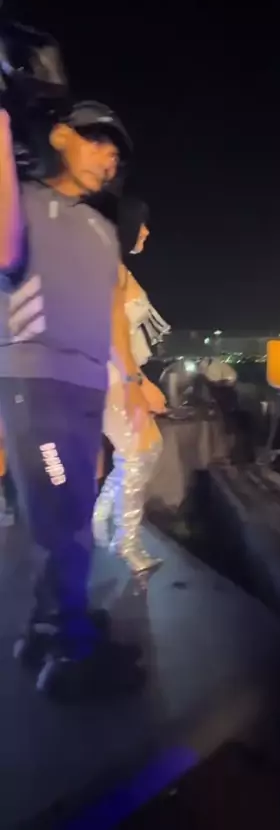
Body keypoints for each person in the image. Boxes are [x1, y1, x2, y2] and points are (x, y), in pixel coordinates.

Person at [0, 103, 149, 700]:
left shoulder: (102, 229)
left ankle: (48, 627)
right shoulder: (23, 197)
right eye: (97, 141)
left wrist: (130, 381)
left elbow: (111, 311)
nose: (109, 158)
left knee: (71, 509)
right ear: (61, 135)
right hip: (37, 380)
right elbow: (5, 252)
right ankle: (72, 652)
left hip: (86, 386)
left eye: (116, 153)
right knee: (62, 517)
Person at [94, 197, 166, 576]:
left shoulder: (113, 265)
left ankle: (102, 521)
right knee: (142, 451)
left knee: (140, 451)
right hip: (111, 374)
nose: (147, 232)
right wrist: (136, 382)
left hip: (116, 371)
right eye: (141, 224)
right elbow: (112, 331)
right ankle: (125, 542)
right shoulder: (106, 266)